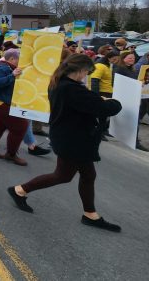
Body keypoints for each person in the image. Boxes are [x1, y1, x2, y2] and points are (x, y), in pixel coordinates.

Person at [8, 54, 123, 232]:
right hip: (73, 139)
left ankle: (90, 213)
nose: (86, 75)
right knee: (63, 175)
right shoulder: (72, 89)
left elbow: (85, 103)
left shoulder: (60, 83)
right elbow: (105, 109)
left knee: (86, 175)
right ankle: (19, 190)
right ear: (79, 70)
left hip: (69, 136)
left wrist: (97, 100)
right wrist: (114, 102)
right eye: (86, 72)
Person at [0, 49, 29, 165]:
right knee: (21, 126)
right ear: (12, 59)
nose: (21, 62)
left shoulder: (7, 68)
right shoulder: (3, 68)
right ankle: (11, 154)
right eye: (19, 59)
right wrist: (12, 75)